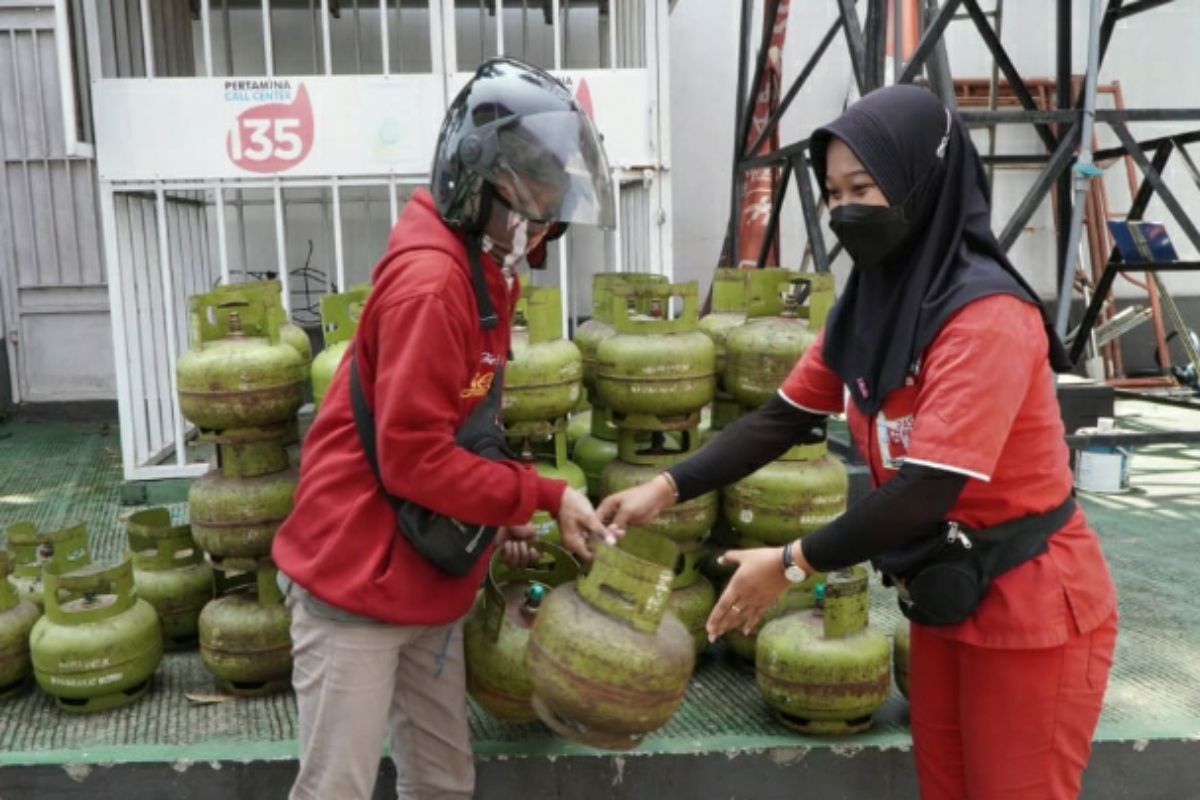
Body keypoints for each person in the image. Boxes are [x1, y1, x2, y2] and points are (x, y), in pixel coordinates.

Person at [598, 84, 1118, 800]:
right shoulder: (871, 303)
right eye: (835, 191)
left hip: (1029, 604)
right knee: (948, 788)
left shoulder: (985, 315)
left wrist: (790, 561)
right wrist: (666, 487)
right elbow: (781, 417)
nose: (846, 210)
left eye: (865, 188)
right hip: (944, 597)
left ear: (921, 181)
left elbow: (930, 486)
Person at [272, 57, 617, 800]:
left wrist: (500, 517)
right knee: (338, 787)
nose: (546, 218)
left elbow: (464, 428)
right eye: (535, 197)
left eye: (554, 198)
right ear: (479, 183)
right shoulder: (433, 286)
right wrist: (544, 494)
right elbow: (415, 462)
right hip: (357, 582)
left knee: (442, 781)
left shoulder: (484, 268)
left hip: (427, 579)